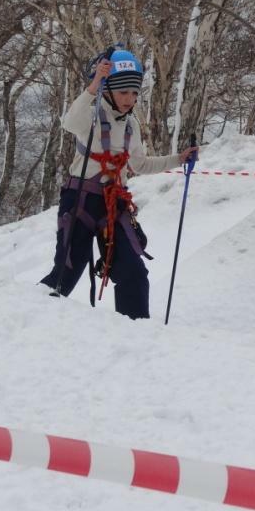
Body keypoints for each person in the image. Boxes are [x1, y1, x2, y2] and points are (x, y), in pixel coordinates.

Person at [39, 47, 197, 320]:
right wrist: (93, 86)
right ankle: (30, 314)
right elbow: (69, 122)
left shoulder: (131, 125)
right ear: (108, 89)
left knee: (134, 273)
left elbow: (140, 164)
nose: (130, 99)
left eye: (134, 93)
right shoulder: (90, 113)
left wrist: (178, 159)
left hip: (113, 206)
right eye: (124, 92)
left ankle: (135, 333)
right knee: (68, 270)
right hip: (80, 200)